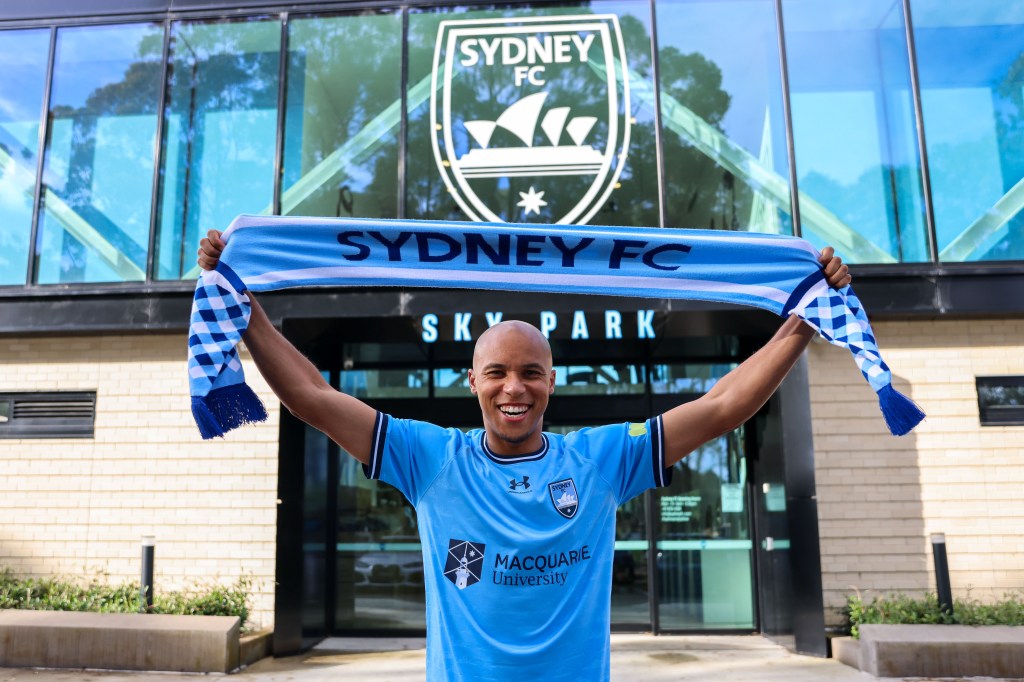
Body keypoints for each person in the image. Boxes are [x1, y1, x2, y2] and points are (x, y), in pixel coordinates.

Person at [197, 229, 850, 681]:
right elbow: (313, 396)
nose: (515, 387)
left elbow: (721, 407)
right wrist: (245, 309)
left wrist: (801, 322)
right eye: (498, 373)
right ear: (473, 382)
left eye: (531, 372)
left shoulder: (599, 460)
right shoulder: (430, 458)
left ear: (552, 382)